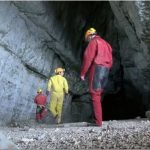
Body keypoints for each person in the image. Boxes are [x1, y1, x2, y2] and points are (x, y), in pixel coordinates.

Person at [81, 28, 113, 126]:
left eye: (88, 39)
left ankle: (98, 121)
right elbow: (111, 59)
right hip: (106, 70)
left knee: (95, 94)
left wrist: (83, 73)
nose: (88, 41)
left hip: (97, 68)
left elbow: (88, 58)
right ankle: (98, 120)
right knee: (98, 93)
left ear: (90, 36)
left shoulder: (94, 42)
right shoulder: (107, 44)